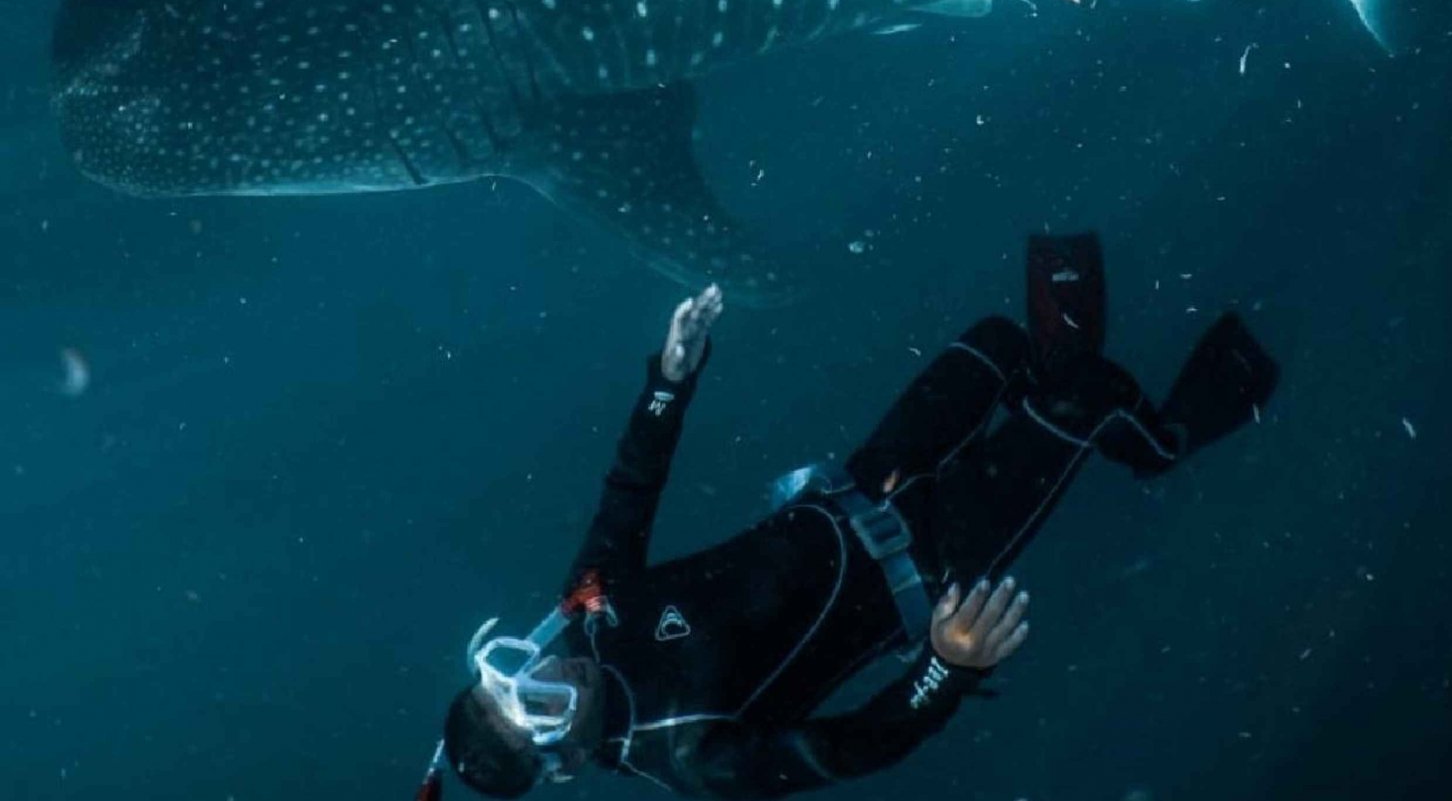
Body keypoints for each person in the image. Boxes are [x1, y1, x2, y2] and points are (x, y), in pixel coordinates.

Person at [415, 234, 1279, 800]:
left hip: (864, 481)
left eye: (511, 669)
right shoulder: (698, 759)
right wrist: (949, 662)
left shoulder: (587, 610)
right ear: (563, 759)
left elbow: (628, 489)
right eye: (536, 704)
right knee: (1089, 397)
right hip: (937, 559)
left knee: (1001, 344)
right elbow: (863, 742)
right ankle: (1160, 445)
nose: (548, 672)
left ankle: (1060, 380)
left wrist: (669, 382)